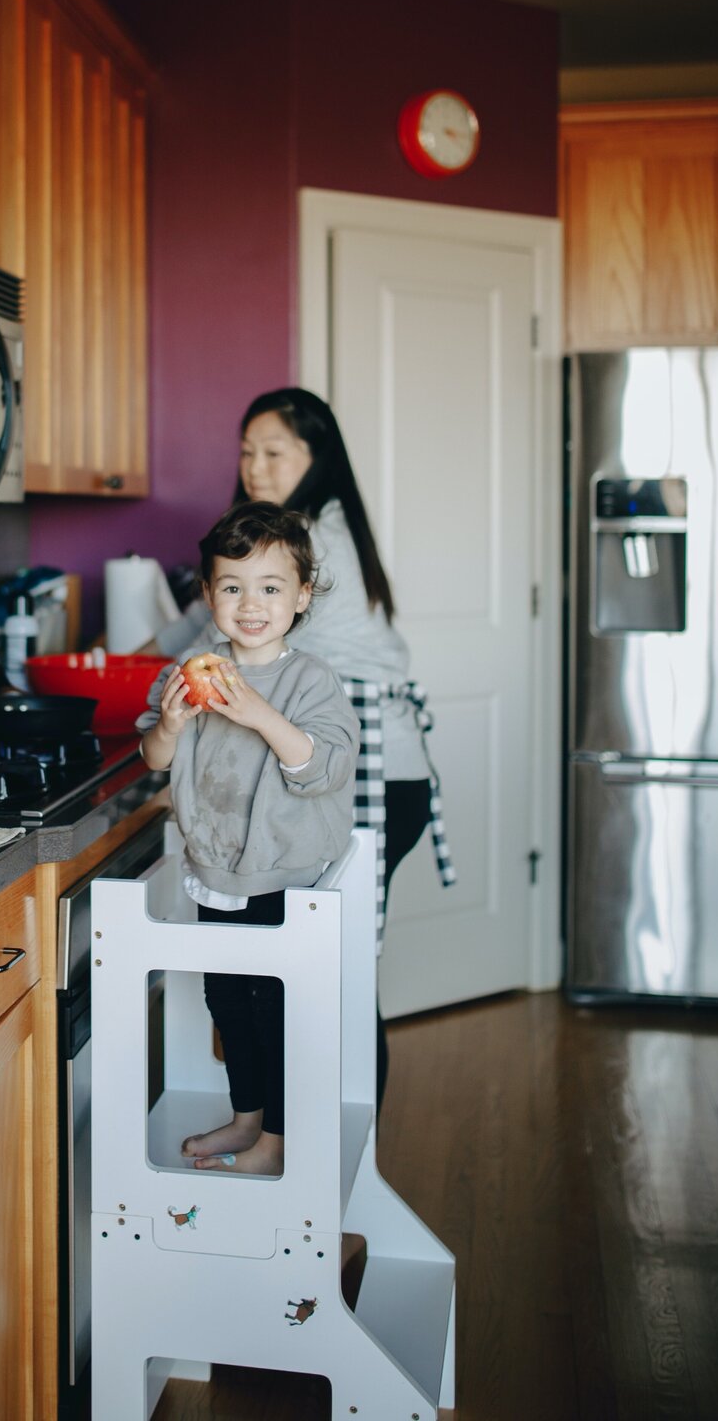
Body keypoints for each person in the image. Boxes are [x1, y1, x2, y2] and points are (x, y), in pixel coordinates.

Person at [155, 387, 452, 1110]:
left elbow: (224, 645)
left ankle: (333, 1171)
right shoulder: (287, 535)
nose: (254, 466)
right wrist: (141, 661)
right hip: (335, 772)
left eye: (274, 452)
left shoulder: (319, 542)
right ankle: (290, 1140)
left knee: (331, 976)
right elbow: (203, 620)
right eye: (247, 451)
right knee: (305, 972)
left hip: (361, 770)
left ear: (316, 458)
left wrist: (150, 672)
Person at [139, 500, 358, 1176]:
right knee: (227, 1002)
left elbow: (322, 766)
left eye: (270, 587)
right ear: (208, 595)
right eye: (232, 587)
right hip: (217, 869)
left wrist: (259, 713)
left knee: (277, 1010)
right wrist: (172, 726)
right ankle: (247, 1119)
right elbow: (153, 758)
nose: (251, 603)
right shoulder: (191, 672)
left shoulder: (308, 679)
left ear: (301, 595)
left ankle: (281, 1142)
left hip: (285, 873)